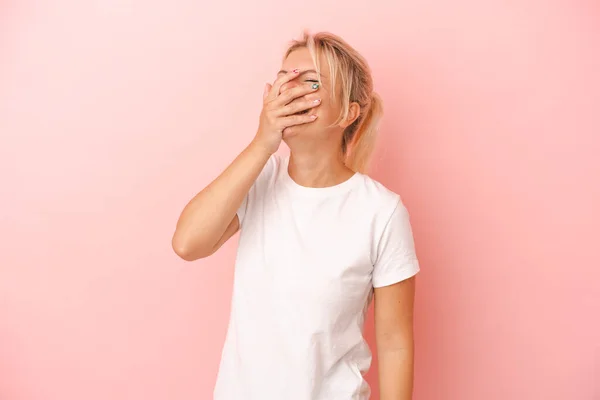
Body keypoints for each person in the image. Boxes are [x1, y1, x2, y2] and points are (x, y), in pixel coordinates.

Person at [172, 31, 420, 400]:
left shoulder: (380, 212)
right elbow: (188, 243)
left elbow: (395, 343)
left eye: (311, 81)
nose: (291, 90)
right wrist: (262, 142)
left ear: (350, 112)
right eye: (285, 77)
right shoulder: (260, 179)